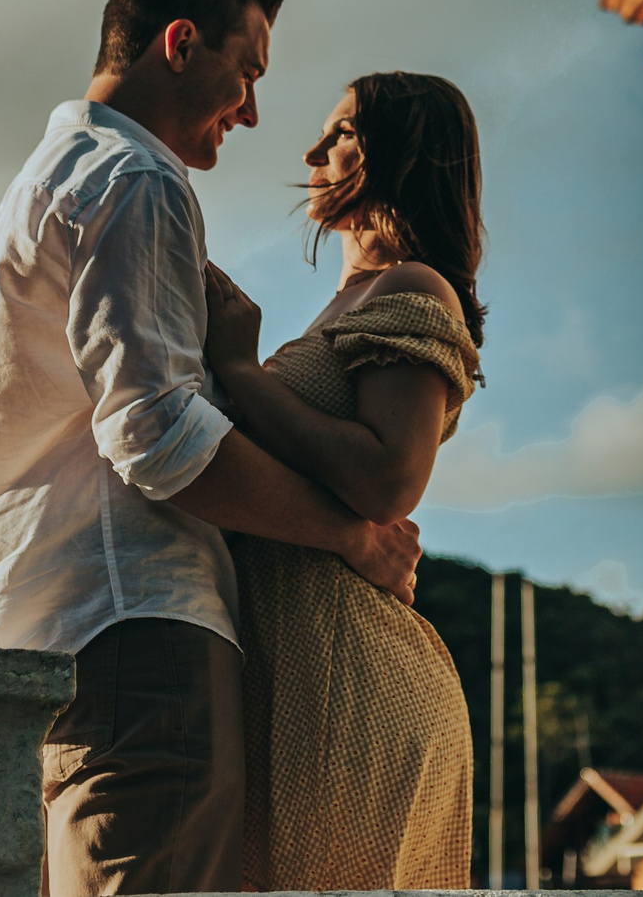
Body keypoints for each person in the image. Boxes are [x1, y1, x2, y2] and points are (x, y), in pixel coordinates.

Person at [0, 0, 422, 897]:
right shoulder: (137, 179)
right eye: (247, 73)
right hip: (137, 626)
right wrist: (349, 533)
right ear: (180, 43)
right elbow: (156, 435)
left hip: (39, 625)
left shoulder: (50, 176)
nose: (251, 110)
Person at [201, 71, 489, 892]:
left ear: (403, 153)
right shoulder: (347, 304)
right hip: (296, 679)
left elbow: (388, 479)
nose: (313, 150)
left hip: (349, 691)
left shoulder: (414, 288)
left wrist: (238, 371)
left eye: (344, 132)